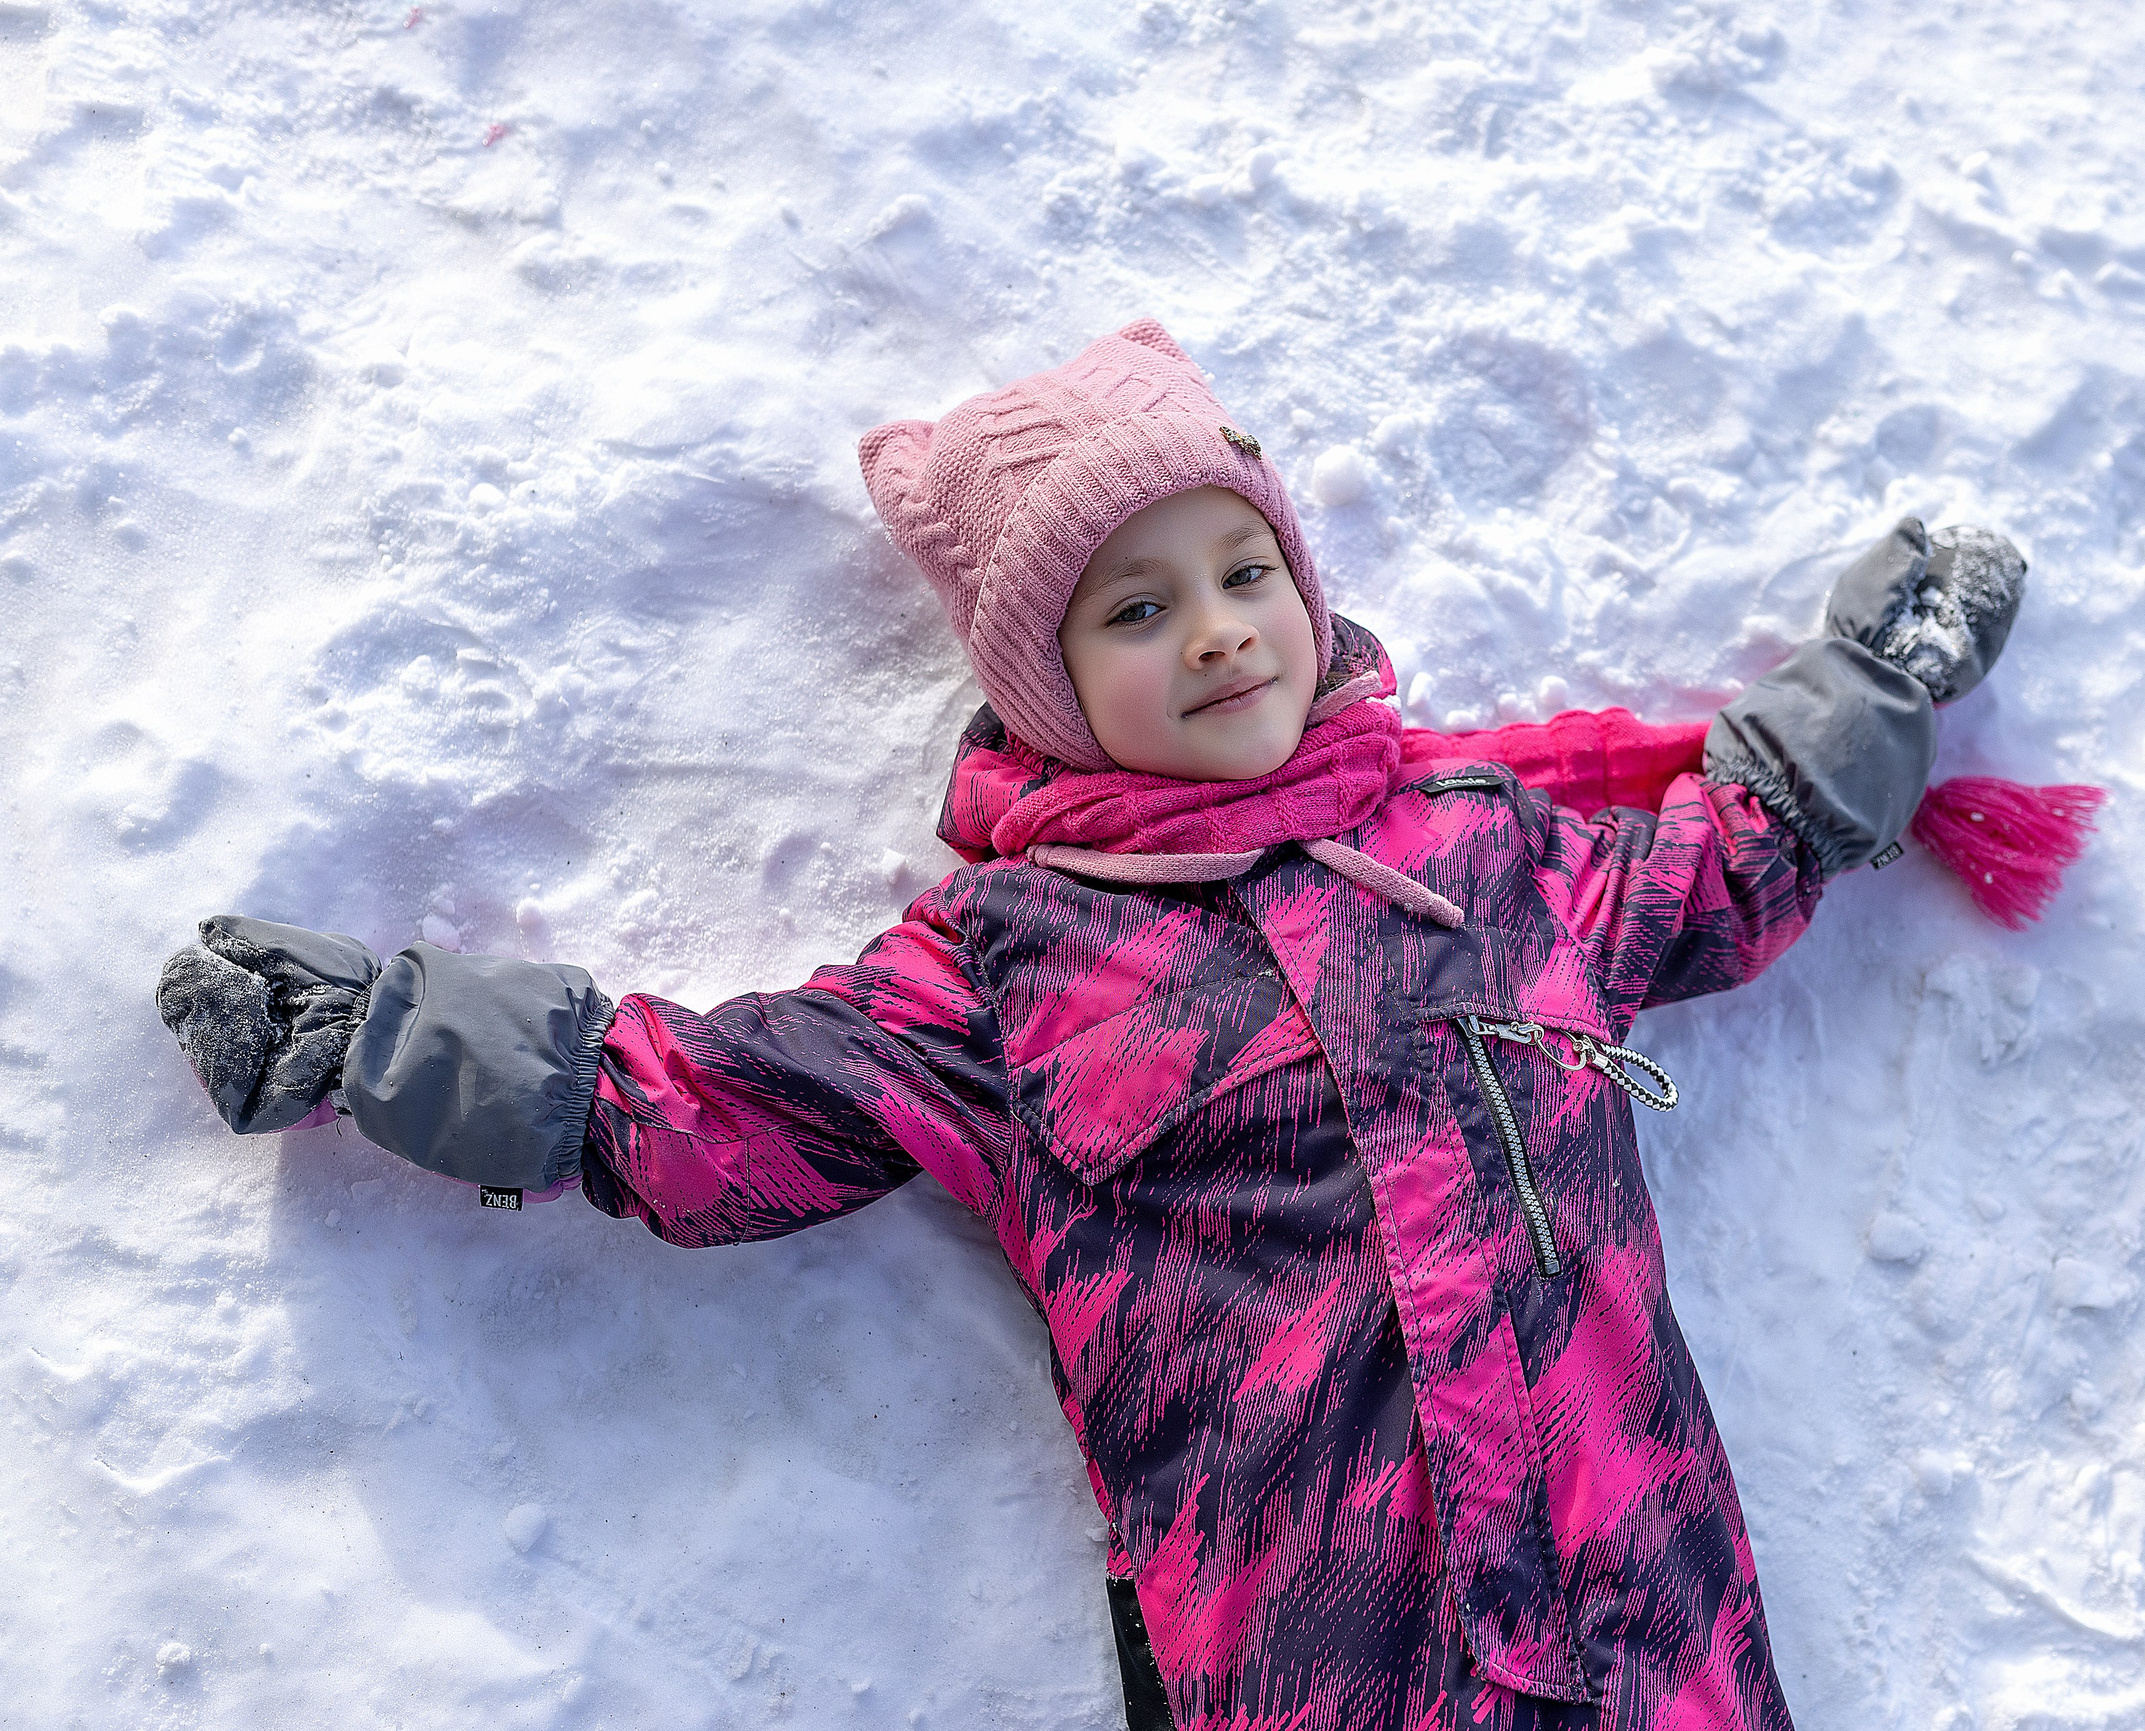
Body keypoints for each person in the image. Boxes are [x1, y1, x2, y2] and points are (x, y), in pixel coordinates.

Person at [156, 319, 2026, 1730]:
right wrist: (387, 1040)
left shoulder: (1484, 852)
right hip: (1314, 1651)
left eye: (1245, 574)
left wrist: (1873, 691)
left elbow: (1715, 872)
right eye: (1137, 610)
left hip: (1650, 1622)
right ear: (1045, 688)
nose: (1218, 633)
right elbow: (718, 1110)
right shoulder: (1009, 965)